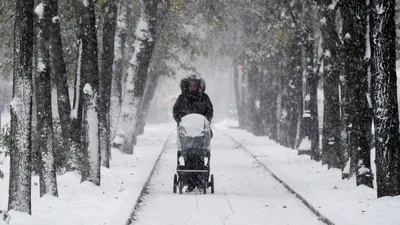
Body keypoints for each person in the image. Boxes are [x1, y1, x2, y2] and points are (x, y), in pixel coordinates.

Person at [173, 74, 214, 192]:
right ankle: (190, 181)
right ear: (187, 86)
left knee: (200, 155)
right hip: (187, 132)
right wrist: (181, 121)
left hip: (200, 131)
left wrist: (206, 122)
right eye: (190, 85)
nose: (193, 87)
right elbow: (176, 112)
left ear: (198, 86)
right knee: (188, 156)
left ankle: (200, 180)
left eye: (195, 85)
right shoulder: (182, 98)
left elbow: (209, 111)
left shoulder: (204, 98)